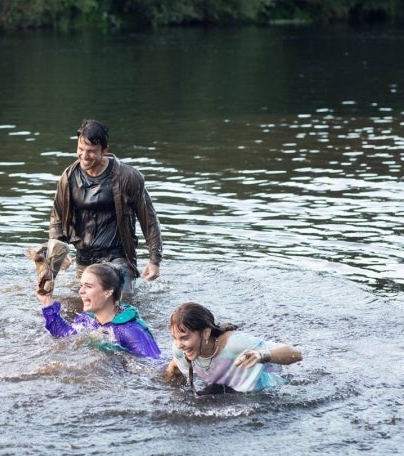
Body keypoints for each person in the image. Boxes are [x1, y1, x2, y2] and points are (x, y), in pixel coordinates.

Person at [49, 119, 163, 296]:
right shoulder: (69, 177)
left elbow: (149, 220)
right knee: (83, 310)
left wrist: (154, 260)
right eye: (80, 149)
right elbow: (57, 218)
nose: (84, 156)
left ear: (104, 150)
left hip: (118, 257)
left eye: (91, 151)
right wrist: (58, 253)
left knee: (120, 306)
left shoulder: (128, 177)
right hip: (85, 258)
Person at [164, 302, 303, 394]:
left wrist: (261, 355)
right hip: (225, 390)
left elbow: (296, 354)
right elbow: (175, 366)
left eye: (184, 338)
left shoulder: (235, 343)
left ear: (206, 333)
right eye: (174, 338)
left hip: (265, 390)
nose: (178, 344)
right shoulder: (180, 351)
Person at [36, 263, 162, 359]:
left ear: (108, 292)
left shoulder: (132, 331)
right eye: (81, 285)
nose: (81, 291)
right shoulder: (87, 318)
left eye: (88, 286)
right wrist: (47, 301)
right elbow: (67, 335)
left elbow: (154, 365)